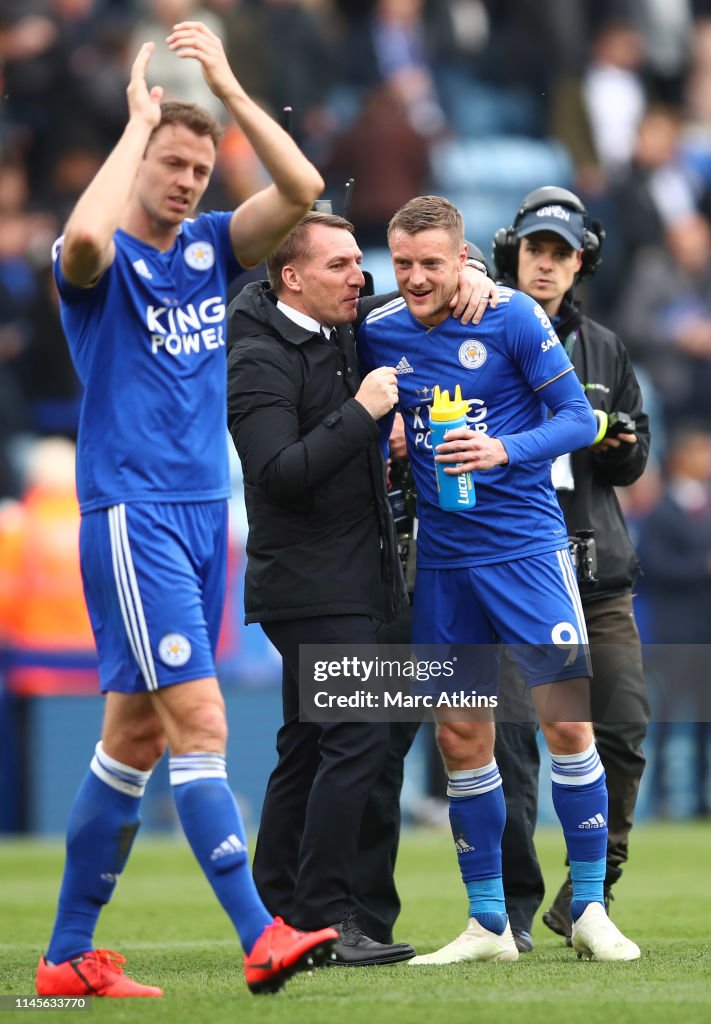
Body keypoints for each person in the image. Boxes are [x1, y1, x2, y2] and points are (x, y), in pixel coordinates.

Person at [37, 22, 338, 999]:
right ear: (140, 163)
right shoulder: (99, 265)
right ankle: (261, 933)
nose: (188, 182)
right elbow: (83, 237)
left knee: (132, 738)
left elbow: (301, 194)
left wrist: (230, 90)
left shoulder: (211, 249)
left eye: (201, 168)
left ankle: (66, 955)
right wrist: (137, 124)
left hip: (209, 515)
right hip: (133, 514)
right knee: (200, 718)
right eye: (174, 164)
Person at [356, 194, 641, 964]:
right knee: (459, 736)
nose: (415, 279)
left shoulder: (512, 316)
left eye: (431, 264)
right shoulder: (377, 329)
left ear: (462, 261)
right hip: (444, 564)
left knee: (568, 726)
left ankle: (587, 909)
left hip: (525, 553)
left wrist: (501, 451)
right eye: (403, 263)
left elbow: (580, 423)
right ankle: (486, 924)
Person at [227, 210, 493, 964]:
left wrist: (470, 276)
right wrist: (364, 414)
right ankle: (322, 918)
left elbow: (415, 295)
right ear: (292, 278)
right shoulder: (256, 356)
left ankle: (276, 911)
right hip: (308, 583)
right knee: (357, 736)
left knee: (308, 745)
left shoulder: (337, 327)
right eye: (341, 264)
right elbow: (279, 474)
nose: (361, 277)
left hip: (358, 576)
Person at [490, 186, 651, 952]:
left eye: (560, 254)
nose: (546, 264)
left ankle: (589, 897)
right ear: (512, 254)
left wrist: (616, 444)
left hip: (596, 574)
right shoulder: (476, 333)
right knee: (513, 742)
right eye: (535, 251)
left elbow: (635, 453)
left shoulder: (607, 348)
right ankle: (509, 912)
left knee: (621, 732)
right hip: (513, 571)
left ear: (578, 262)